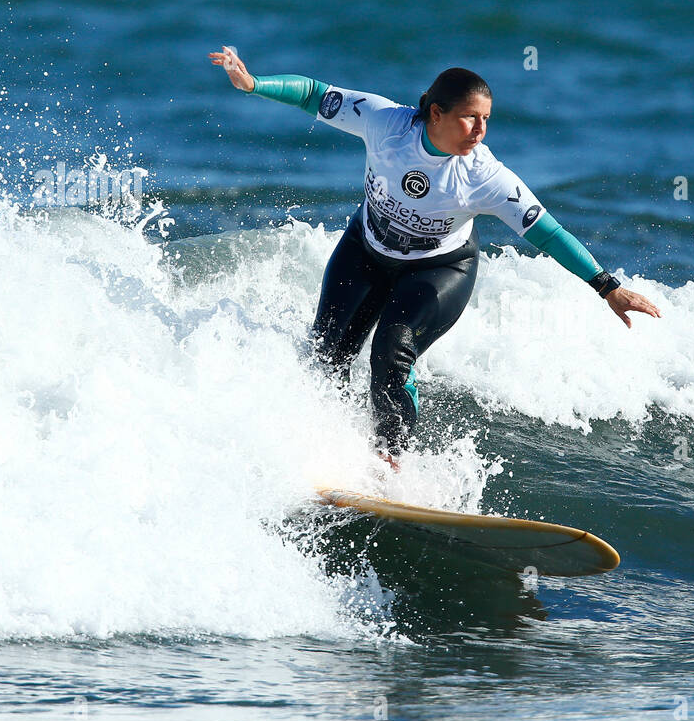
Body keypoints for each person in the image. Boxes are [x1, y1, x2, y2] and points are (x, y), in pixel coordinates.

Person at [209, 49, 661, 470]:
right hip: (366, 249)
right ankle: (323, 447)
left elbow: (547, 231)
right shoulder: (385, 123)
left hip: (439, 269)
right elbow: (313, 94)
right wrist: (253, 83)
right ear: (436, 113)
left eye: (486, 119)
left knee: (392, 350)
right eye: (470, 118)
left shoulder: (484, 175)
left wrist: (607, 286)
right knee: (327, 355)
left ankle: (393, 462)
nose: (480, 130)